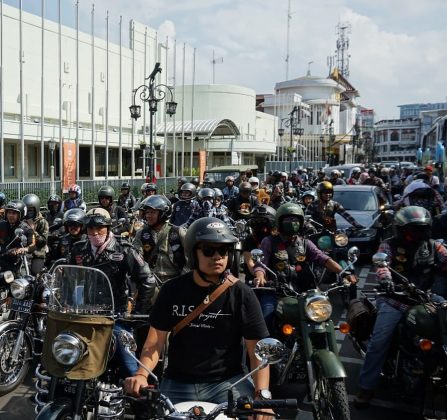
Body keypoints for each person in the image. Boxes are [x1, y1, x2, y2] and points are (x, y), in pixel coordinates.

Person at [124, 217, 271, 406]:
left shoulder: (242, 294)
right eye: (209, 250)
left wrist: (261, 395)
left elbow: (257, 351)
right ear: (193, 253)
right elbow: (155, 342)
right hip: (177, 382)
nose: (217, 257)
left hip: (227, 383)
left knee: (259, 415)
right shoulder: (172, 290)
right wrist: (141, 374)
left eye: (223, 250)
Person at [354, 206, 447, 408]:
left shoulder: (435, 246)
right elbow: (382, 265)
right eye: (414, 229)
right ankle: (366, 387)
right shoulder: (389, 245)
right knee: (379, 341)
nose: (418, 233)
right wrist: (387, 281)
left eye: (422, 228)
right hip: (396, 299)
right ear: (402, 229)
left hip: (427, 299)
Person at [70, 207, 156, 377]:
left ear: (108, 227)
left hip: (115, 315)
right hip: (84, 314)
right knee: (62, 352)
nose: (95, 233)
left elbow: (148, 280)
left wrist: (136, 313)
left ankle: (136, 390)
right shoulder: (78, 249)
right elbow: (70, 278)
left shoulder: (123, 249)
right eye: (90, 228)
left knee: (130, 367)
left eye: (99, 228)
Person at [252, 203, 354, 328]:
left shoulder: (305, 243)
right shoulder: (269, 242)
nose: (292, 223)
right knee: (266, 319)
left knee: (324, 318)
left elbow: (323, 258)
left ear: (301, 222)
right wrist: (260, 276)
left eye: (295, 219)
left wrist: (343, 273)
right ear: (279, 221)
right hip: (276, 292)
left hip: (305, 292)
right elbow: (261, 264)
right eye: (288, 219)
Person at [134, 195, 185, 283]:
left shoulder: (178, 232)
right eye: (147, 212)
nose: (148, 215)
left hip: (175, 280)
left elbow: (191, 259)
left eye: (153, 212)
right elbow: (137, 257)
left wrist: (184, 280)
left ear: (163, 213)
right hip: (151, 281)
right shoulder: (141, 234)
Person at [242, 205, 277, 283]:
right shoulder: (250, 239)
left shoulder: (277, 239)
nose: (258, 227)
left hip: (278, 279)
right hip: (255, 281)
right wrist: (259, 275)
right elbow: (250, 263)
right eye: (255, 223)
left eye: (262, 223)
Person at [0, 200, 35, 275]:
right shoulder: (1, 226)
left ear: (20, 214)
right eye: (9, 212)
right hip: (3, 260)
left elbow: (33, 245)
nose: (10, 215)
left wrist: (24, 249)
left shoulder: (26, 228)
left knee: (24, 280)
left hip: (20, 262)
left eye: (14, 213)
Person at [22, 193, 49, 275]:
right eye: (27, 209)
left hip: (37, 254)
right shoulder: (21, 220)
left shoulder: (42, 222)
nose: (29, 212)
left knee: (35, 273)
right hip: (22, 252)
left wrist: (33, 230)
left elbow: (43, 242)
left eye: (31, 209)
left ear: (36, 209)